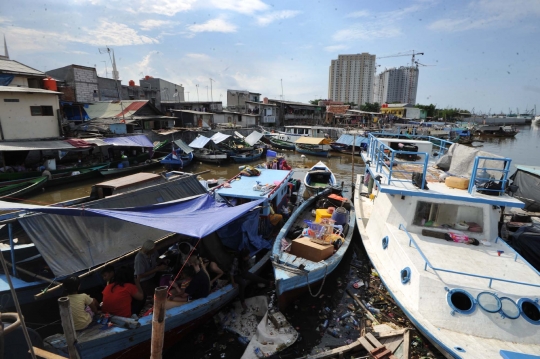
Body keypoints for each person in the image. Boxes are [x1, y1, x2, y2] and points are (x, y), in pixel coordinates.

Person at [230, 249, 272, 313]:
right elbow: (231, 273)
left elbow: (248, 267)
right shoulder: (236, 260)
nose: (249, 257)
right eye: (247, 256)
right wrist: (233, 282)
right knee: (242, 283)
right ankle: (242, 302)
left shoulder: (245, 261)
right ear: (243, 257)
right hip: (236, 275)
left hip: (242, 272)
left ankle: (268, 282)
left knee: (253, 277)